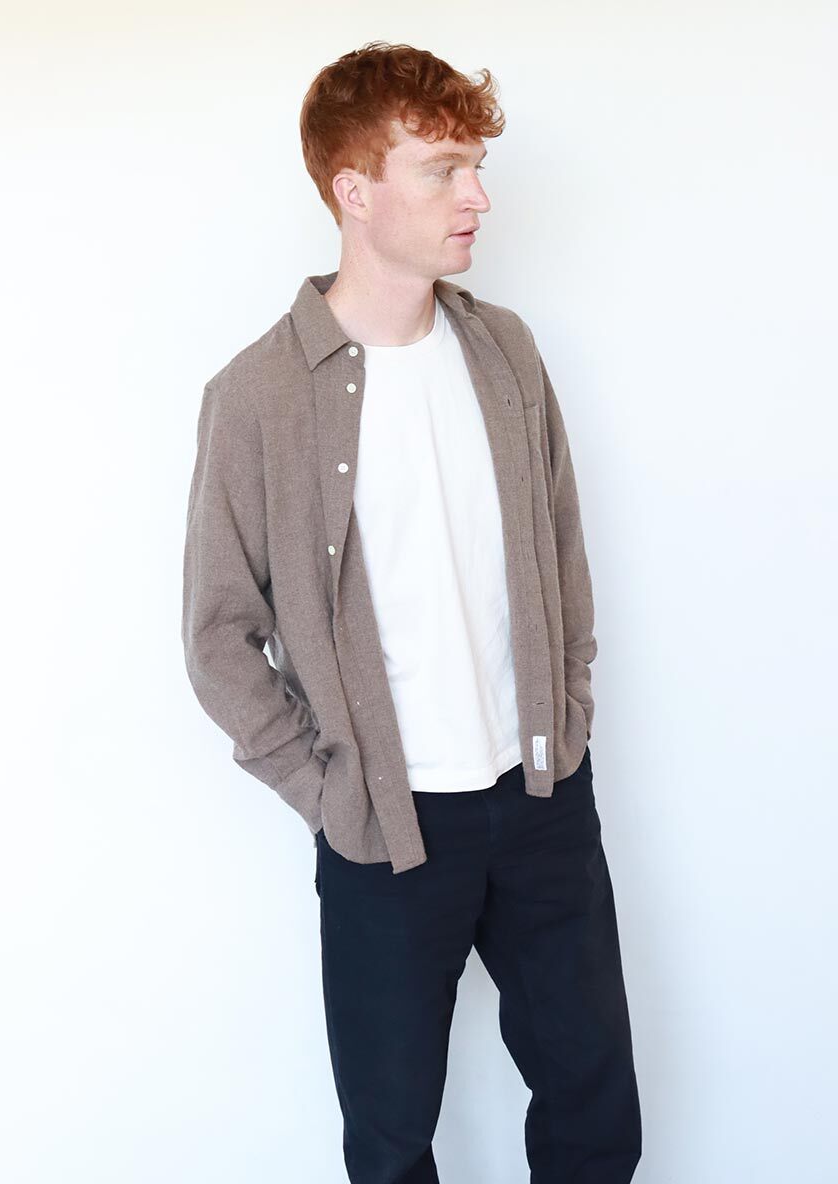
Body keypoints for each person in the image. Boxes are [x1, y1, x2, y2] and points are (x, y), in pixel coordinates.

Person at [182, 39, 642, 1184]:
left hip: (539, 795)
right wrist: (323, 787)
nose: (476, 196)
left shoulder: (504, 352)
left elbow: (563, 551)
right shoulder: (257, 396)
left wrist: (568, 713)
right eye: (442, 169)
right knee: (390, 1145)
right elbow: (217, 630)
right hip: (384, 827)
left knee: (594, 1113)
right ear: (353, 189)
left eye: (475, 166)